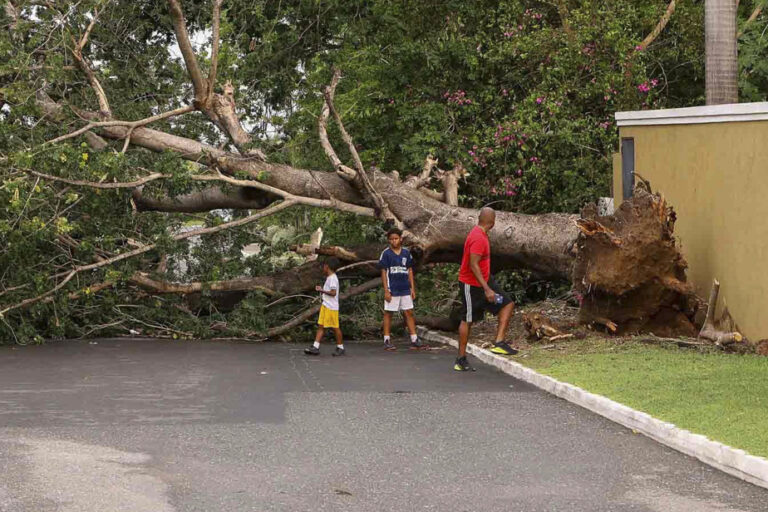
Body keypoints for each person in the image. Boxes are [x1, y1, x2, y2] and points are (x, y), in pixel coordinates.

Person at [455, 207, 518, 371]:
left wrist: (489, 285)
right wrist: (487, 289)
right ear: (492, 221)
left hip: (485, 281)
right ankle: (460, 359)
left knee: (507, 303)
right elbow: (473, 264)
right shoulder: (478, 238)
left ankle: (499, 342)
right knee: (467, 319)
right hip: (472, 285)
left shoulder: (481, 234)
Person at [378, 228, 424, 350]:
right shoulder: (386, 254)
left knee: (408, 312)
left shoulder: (406, 253)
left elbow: (410, 271)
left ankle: (414, 338)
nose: (394, 241)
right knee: (389, 313)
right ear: (389, 240)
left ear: (401, 239)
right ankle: (387, 339)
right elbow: (384, 272)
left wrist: (412, 288)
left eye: (396, 238)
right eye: (391, 239)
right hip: (392, 288)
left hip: (405, 288)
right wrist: (386, 290)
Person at [305, 257, 345, 356]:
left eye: (324, 266)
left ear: (327, 267)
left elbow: (333, 293)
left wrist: (321, 290)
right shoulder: (330, 277)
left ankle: (340, 347)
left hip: (331, 307)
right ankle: (315, 346)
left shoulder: (332, 278)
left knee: (335, 327)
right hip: (326, 305)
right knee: (321, 326)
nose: (323, 268)